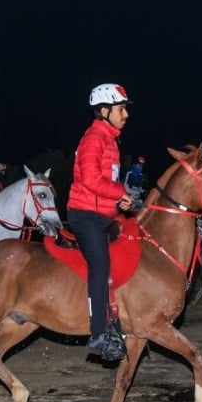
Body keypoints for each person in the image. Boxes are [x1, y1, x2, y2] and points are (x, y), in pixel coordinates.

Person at [67, 83, 134, 362]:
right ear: (104, 110)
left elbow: (106, 182)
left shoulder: (110, 139)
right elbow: (91, 180)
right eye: (121, 109)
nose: (126, 114)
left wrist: (120, 200)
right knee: (100, 265)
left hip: (103, 214)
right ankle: (98, 332)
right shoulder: (95, 138)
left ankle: (120, 319)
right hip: (85, 215)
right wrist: (120, 193)